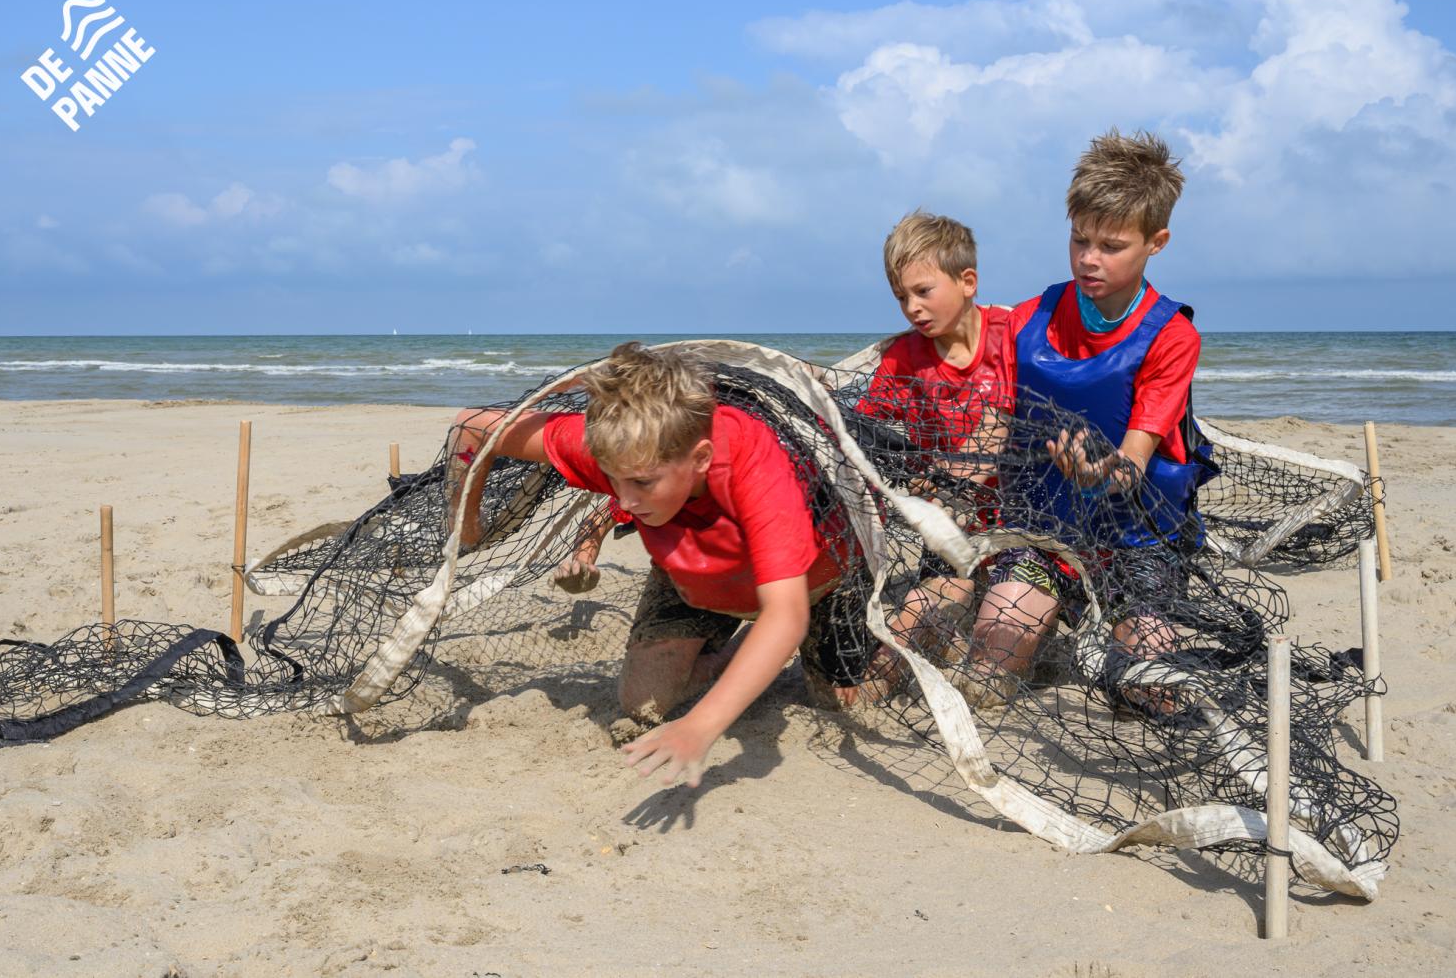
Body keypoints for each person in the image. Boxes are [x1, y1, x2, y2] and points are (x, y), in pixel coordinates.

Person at [446, 342, 872, 787]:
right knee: (642, 703)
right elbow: (471, 427)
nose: (625, 501)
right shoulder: (622, 446)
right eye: (613, 480)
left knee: (843, 702)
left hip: (813, 582)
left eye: (642, 482)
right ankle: (738, 651)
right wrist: (468, 530)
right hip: (699, 579)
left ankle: (897, 623)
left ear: (701, 458)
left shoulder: (757, 464)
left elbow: (786, 614)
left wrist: (701, 726)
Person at [972, 128, 1209, 706]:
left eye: (1111, 245)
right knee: (986, 676)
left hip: (1134, 539)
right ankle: (1039, 616)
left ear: (1157, 242)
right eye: (1079, 240)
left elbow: (1134, 460)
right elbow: (992, 422)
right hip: (1040, 531)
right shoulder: (1028, 319)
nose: (1088, 259)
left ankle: (1114, 627)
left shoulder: (1172, 337)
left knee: (1153, 695)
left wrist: (1098, 473)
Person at [853, 211, 1011, 675]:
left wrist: (947, 477)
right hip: (949, 520)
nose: (912, 308)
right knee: (923, 613)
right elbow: (865, 429)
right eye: (901, 297)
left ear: (968, 282)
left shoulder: (1011, 334)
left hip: (1018, 514)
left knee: (999, 648)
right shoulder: (903, 357)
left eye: (923, 291)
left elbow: (1007, 423)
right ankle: (885, 673)